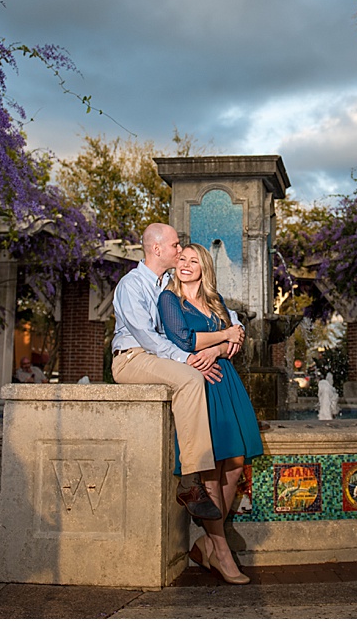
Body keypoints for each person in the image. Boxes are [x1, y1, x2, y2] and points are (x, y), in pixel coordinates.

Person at [110, 223, 230, 522]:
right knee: (191, 377)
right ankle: (190, 483)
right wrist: (187, 358)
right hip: (131, 358)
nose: (180, 250)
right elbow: (146, 336)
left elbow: (202, 298)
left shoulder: (166, 284)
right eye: (176, 245)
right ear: (157, 248)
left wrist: (233, 327)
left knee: (203, 371)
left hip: (156, 357)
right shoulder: (131, 284)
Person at [159, 243, 261, 585]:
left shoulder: (217, 303)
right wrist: (225, 336)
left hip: (225, 382)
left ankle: (205, 542)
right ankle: (221, 550)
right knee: (210, 469)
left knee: (234, 465)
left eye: (194, 261)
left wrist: (221, 345)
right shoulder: (170, 300)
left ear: (204, 268)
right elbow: (184, 339)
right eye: (182, 259)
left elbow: (236, 342)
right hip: (199, 385)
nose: (186, 265)